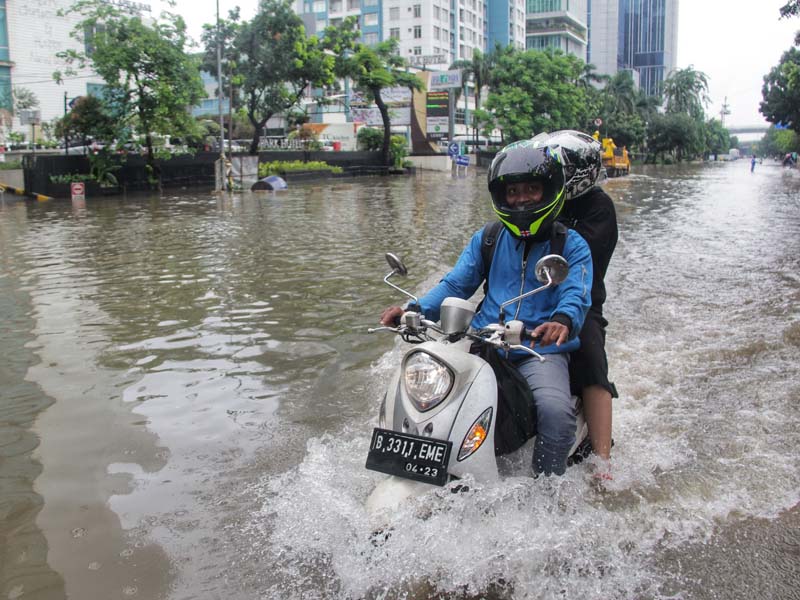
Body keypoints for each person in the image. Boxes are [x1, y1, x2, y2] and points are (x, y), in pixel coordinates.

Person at [380, 141, 593, 476]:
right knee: (423, 386)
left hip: (536, 349)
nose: (521, 198)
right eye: (513, 191)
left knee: (555, 413)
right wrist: (413, 308)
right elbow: (455, 285)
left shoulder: (570, 245)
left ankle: (546, 493)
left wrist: (562, 321)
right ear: (501, 195)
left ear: (549, 191)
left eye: (532, 189)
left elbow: (576, 293)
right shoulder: (489, 238)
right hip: (483, 342)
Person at [541, 130, 619, 474]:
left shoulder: (598, 207)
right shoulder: (542, 199)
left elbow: (582, 265)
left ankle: (602, 458)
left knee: (590, 359)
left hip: (582, 303)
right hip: (527, 297)